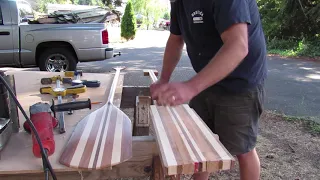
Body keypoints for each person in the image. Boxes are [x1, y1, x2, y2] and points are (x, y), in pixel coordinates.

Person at [150, 0, 267, 179]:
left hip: (240, 81)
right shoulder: (178, 2)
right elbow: (176, 39)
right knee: (200, 141)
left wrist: (190, 87)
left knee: (243, 149)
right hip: (206, 76)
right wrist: (163, 80)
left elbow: (238, 45)